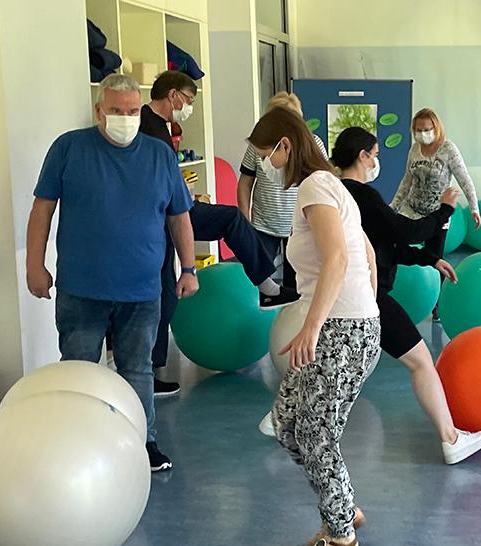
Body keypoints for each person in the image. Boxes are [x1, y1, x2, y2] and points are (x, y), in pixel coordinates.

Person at [26, 74, 196, 471]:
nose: (125, 118)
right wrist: (35, 266)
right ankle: (79, 441)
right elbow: (42, 210)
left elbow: (179, 217)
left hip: (142, 289)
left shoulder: (159, 155)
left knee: (137, 370)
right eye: (116, 111)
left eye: (133, 111)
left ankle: (144, 441)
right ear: (99, 110)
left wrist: (188, 268)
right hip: (81, 289)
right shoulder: (69, 148)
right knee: (80, 368)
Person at [249, 108, 380, 546]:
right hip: (346, 323)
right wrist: (365, 307)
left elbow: (340, 259)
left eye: (267, 155)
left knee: (315, 433)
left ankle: (342, 537)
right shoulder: (329, 185)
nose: (266, 164)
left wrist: (313, 325)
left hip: (342, 331)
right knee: (286, 423)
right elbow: (363, 252)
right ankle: (344, 504)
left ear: (286, 146)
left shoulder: (313, 186)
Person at [333, 126, 481, 464]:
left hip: (348, 295)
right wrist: (445, 210)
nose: (377, 161)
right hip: (367, 297)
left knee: (331, 364)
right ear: (362, 156)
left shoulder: (338, 193)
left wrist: (429, 258)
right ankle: (451, 439)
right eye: (375, 155)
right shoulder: (362, 195)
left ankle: (282, 417)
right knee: (421, 362)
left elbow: (386, 247)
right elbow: (404, 231)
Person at [139, 70, 282, 397]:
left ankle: (266, 283)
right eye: (187, 101)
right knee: (163, 291)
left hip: (174, 208)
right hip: (162, 217)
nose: (188, 107)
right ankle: (148, 371)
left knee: (228, 219)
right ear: (173, 95)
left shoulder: (161, 127)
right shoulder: (148, 127)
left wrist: (188, 194)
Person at [238, 92, 328, 295]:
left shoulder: (314, 146)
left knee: (297, 284)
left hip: (298, 227)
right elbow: (245, 183)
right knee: (258, 283)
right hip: (263, 225)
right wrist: (245, 220)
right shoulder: (258, 145)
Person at [391, 107, 481, 259]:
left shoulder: (448, 149)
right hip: (411, 209)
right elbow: (407, 180)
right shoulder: (414, 149)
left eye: (427, 129)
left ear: (436, 128)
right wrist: (394, 206)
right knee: (396, 247)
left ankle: (438, 282)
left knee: (434, 259)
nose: (423, 134)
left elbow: (464, 180)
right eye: (418, 130)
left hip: (437, 214)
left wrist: (474, 208)